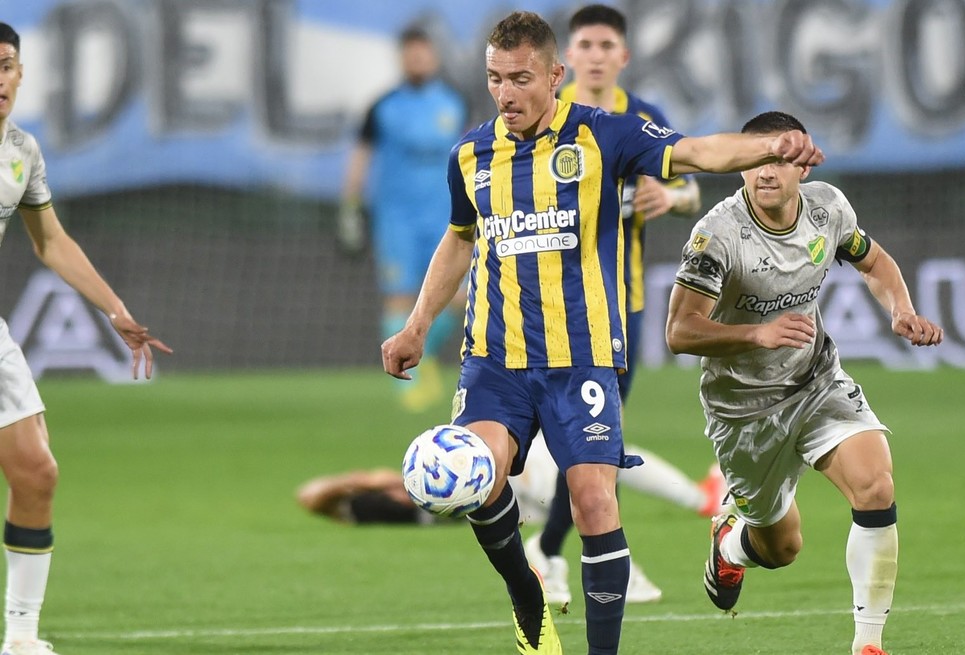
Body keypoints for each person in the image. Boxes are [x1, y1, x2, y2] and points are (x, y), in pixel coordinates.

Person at [380, 10, 822, 654]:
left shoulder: (603, 134)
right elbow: (458, 239)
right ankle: (525, 591)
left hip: (582, 358)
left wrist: (772, 147)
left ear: (553, 75)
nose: (506, 93)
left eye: (521, 78)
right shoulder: (469, 155)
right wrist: (417, 326)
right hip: (494, 357)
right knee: (479, 478)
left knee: (593, 504)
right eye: (495, 78)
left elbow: (696, 153)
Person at [665, 111, 942, 655]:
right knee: (782, 548)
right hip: (743, 410)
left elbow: (874, 261)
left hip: (815, 381)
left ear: (802, 166)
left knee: (876, 485)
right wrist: (758, 333)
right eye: (755, 159)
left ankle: (868, 642)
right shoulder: (717, 234)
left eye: (777, 159)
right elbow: (679, 331)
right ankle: (730, 547)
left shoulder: (828, 209)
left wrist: (901, 309)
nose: (765, 171)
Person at [524, 3, 709, 607]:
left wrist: (671, 198)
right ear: (566, 58)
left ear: (623, 56)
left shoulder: (643, 118)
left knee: (600, 438)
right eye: (586, 45)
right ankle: (567, 553)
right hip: (554, 304)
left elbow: (692, 184)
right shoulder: (547, 116)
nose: (596, 55)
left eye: (607, 45)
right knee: (592, 438)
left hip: (620, 304)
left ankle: (563, 552)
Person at [0, 22, 171, 655]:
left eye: (6, 65)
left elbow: (51, 242)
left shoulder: (21, 151)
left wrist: (114, 310)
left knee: (37, 472)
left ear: (21, 74)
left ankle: (20, 637)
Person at [339, 24, 468, 413]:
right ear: (401, 58)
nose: (417, 59)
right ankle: (405, 384)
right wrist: (350, 206)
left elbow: (470, 154)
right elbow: (360, 158)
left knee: (460, 295)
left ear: (434, 57)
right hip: (396, 219)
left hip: (446, 217)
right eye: (410, 53)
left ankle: (419, 351)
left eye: (423, 52)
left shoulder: (453, 103)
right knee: (399, 295)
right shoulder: (382, 107)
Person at [296, 440, 720, 529]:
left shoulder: (424, 485)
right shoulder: (384, 509)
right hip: (519, 502)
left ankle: (701, 497)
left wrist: (367, 481)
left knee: (603, 453)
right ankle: (702, 498)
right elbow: (309, 496)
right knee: (597, 456)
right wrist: (361, 481)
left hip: (514, 491)